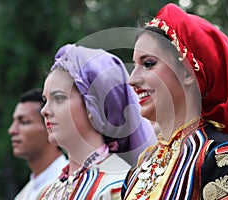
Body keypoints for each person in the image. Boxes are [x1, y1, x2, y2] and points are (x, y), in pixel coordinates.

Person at [122, 3, 228, 200]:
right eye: (135, 66)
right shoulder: (140, 168)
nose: (132, 80)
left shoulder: (224, 159)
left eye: (148, 64)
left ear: (187, 71)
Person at [39, 44, 156, 199]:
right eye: (45, 100)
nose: (44, 111)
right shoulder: (47, 192)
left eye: (59, 98)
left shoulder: (118, 187)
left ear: (93, 107)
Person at [8, 88, 68, 200]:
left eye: (24, 122)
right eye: (14, 121)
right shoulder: (24, 194)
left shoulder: (71, 186)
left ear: (50, 125)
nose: (12, 130)